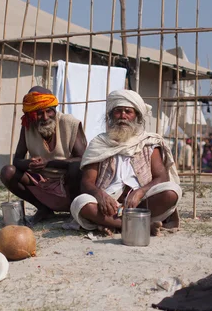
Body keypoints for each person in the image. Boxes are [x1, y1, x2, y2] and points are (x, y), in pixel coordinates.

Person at [70, 89, 182, 235]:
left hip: (142, 204)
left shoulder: (148, 142)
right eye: (118, 111)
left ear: (137, 116)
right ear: (110, 115)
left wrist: (140, 192)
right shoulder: (99, 143)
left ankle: (115, 224)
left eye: (128, 111)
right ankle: (141, 226)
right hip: (109, 207)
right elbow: (86, 182)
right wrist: (100, 195)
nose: (123, 116)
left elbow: (162, 178)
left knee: (171, 191)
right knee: (81, 203)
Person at [0, 86, 87, 225]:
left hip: (68, 180)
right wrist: (29, 164)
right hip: (41, 179)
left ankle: (74, 211)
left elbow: (83, 160)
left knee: (77, 167)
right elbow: (17, 160)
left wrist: (49, 162)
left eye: (49, 111)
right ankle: (43, 208)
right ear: (31, 115)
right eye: (39, 113)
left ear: (55, 109)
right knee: (7, 172)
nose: (45, 117)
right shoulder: (28, 126)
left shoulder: (69, 123)